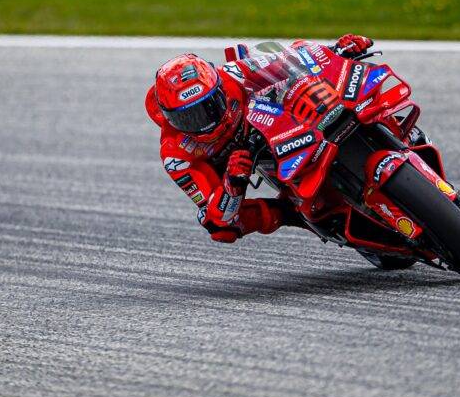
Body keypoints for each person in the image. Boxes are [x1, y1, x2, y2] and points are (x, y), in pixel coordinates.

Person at [144, 34, 373, 243]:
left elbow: (289, 59)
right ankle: (291, 213)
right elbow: (218, 214)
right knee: (218, 228)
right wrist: (232, 183)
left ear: (219, 89)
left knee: (308, 71)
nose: (203, 122)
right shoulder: (175, 155)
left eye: (208, 107)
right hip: (243, 163)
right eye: (188, 118)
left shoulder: (232, 75)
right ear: (169, 118)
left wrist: (335, 50)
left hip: (273, 123)